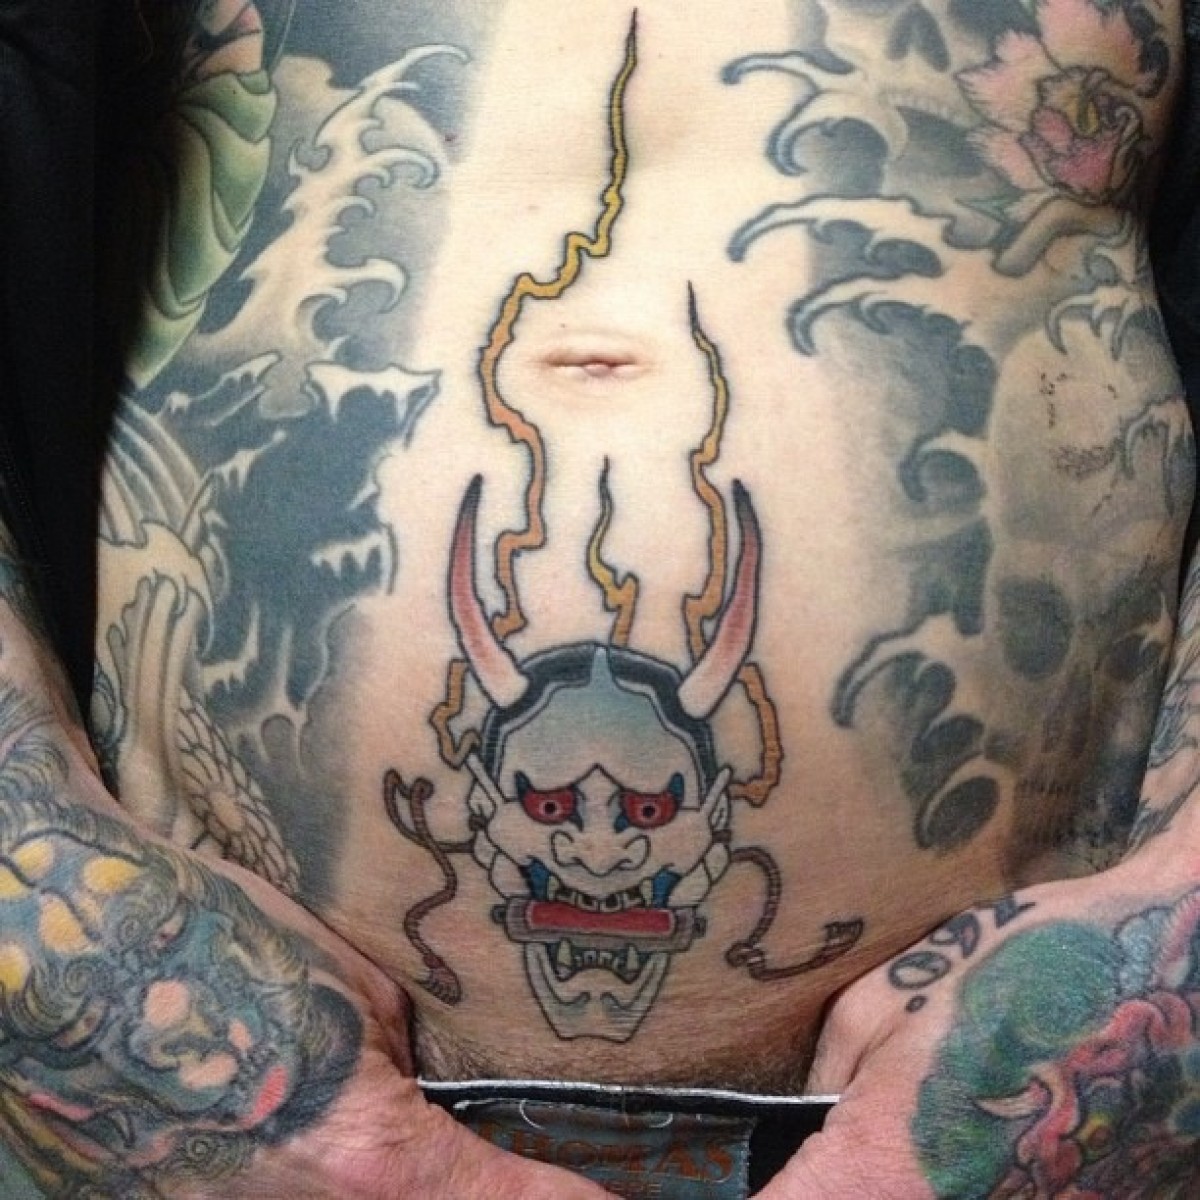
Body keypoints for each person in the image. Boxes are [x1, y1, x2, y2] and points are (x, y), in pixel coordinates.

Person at [0, 1, 1197, 1196]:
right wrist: (50, 928)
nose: (597, 847)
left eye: (637, 809)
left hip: (1074, 1105)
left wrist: (1170, 955)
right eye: (555, 805)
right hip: (157, 1088)